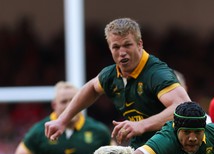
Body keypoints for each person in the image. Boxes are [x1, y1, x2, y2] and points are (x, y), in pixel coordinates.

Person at [44, 18, 190, 147]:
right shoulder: (112, 74)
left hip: (173, 148)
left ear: (140, 44)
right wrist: (62, 120)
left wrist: (141, 125)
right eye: (116, 47)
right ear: (110, 48)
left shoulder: (156, 74)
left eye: (127, 45)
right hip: (142, 147)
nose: (122, 52)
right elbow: (92, 88)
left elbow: (183, 107)